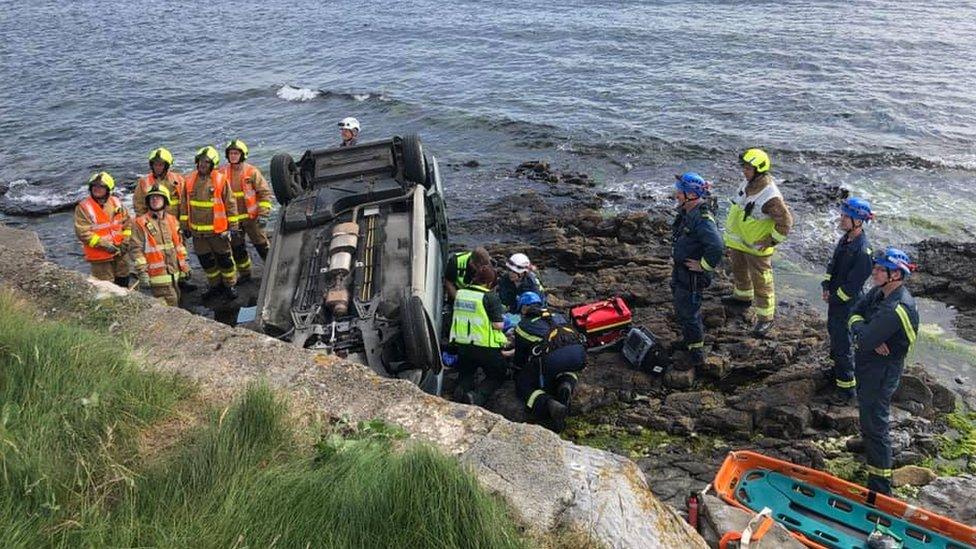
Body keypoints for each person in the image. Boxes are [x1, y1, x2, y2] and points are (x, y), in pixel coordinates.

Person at [848, 247, 919, 495]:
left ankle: (880, 487)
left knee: (876, 423)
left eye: (880, 269)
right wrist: (865, 332)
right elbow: (854, 313)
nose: (874, 272)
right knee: (868, 411)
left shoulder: (896, 308)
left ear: (896, 275)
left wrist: (866, 334)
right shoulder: (880, 293)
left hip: (881, 371)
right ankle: (866, 443)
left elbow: (864, 337)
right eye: (876, 267)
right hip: (870, 366)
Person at [722, 148, 794, 336]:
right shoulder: (749, 183)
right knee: (739, 270)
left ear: (758, 169)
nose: (744, 171)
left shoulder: (771, 196)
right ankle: (743, 297)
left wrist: (771, 241)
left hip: (756, 247)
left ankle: (765, 319)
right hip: (740, 242)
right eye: (744, 167)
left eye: (747, 168)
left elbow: (785, 223)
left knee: (762, 281)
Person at [822, 197, 874, 404]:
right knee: (835, 337)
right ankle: (837, 372)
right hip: (836, 301)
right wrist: (826, 286)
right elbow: (833, 264)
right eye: (843, 215)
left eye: (847, 216)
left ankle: (846, 389)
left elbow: (853, 285)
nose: (842, 219)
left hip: (847, 305)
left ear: (858, 222)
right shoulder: (846, 239)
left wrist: (835, 299)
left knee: (843, 344)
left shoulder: (863, 251)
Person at [670, 172, 724, 368]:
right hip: (681, 270)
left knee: (689, 312)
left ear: (691, 195)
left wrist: (703, 266)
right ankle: (688, 341)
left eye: (680, 191)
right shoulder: (688, 211)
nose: (677, 194)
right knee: (680, 304)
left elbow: (717, 246)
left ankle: (696, 354)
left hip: (691, 275)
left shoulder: (702, 218)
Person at [511, 291, 586, 431]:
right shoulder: (558, 316)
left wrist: (516, 372)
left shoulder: (523, 325)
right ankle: (565, 383)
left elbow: (520, 359)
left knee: (524, 384)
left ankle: (550, 405)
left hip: (552, 359)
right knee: (566, 370)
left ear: (523, 308)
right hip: (578, 354)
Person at [180, 146, 240, 300]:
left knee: (225, 260)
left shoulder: (220, 180)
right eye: (200, 161)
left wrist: (233, 227)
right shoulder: (189, 180)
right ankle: (215, 286)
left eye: (206, 162)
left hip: (218, 233)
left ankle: (230, 286)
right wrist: (185, 226)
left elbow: (231, 204)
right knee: (207, 262)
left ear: (212, 164)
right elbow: (184, 205)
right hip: (198, 235)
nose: (202, 165)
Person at [449, 264, 508, 406]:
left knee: (467, 372)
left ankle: (461, 389)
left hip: (463, 344)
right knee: (496, 375)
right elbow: (497, 325)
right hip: (485, 347)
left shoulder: (460, 293)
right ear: (489, 283)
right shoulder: (490, 297)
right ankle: (476, 397)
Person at [221, 139, 274, 282]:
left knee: (262, 245)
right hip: (234, 221)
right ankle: (246, 275)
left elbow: (264, 193)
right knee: (238, 249)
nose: (233, 156)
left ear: (242, 155)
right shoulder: (222, 172)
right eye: (231, 153)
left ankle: (272, 271)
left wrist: (263, 215)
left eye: (236, 153)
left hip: (252, 219)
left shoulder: (252, 172)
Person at [131, 185, 190, 306]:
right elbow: (136, 250)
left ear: (165, 200)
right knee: (170, 302)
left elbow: (179, 246)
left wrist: (184, 266)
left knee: (176, 297)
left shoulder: (172, 220)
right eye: (152, 198)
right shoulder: (140, 223)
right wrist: (142, 272)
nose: (154, 200)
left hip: (174, 272)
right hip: (156, 275)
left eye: (158, 197)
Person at [74, 171, 131, 285]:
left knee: (123, 279)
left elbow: (127, 223)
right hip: (100, 257)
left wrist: (126, 241)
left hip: (120, 252)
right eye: (94, 186)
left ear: (108, 189)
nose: (97, 189)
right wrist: (105, 245)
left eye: (101, 187)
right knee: (106, 287)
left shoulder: (116, 202)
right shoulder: (84, 207)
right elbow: (83, 233)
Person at [134, 148, 183, 218]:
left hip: (174, 223)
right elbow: (139, 206)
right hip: (153, 223)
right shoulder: (144, 182)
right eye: (155, 164)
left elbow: (184, 203)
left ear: (166, 166)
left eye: (160, 165)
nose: (157, 167)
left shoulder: (178, 180)